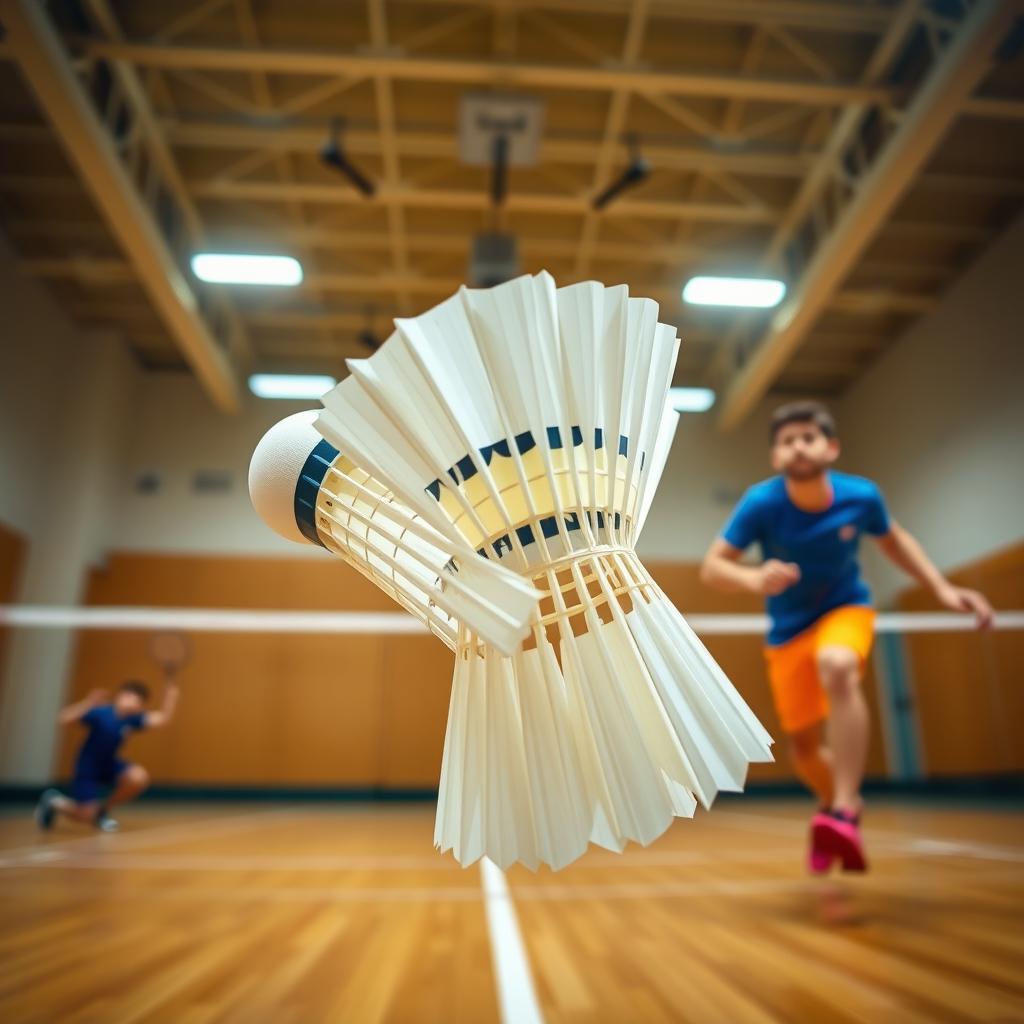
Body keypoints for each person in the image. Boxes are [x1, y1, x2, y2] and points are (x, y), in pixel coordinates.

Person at [700, 400, 993, 873]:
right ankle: (837, 809)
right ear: (776, 457)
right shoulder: (760, 503)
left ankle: (841, 809)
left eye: (808, 437)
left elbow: (895, 541)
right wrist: (755, 579)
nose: (798, 446)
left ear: (831, 447)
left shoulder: (862, 497)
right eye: (787, 440)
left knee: (838, 666)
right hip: (788, 629)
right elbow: (712, 567)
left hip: (846, 608)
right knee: (803, 749)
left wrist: (942, 588)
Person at [35, 678, 179, 832]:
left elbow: (163, 719)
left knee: (138, 778)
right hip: (88, 766)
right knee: (84, 816)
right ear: (119, 696)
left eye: (137, 700)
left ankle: (102, 811)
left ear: (140, 706)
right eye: (128, 696)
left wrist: (171, 697)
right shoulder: (101, 713)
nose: (131, 702)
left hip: (110, 764)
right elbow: (63, 718)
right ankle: (54, 802)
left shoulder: (132, 720)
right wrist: (87, 703)